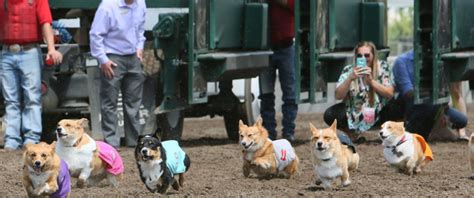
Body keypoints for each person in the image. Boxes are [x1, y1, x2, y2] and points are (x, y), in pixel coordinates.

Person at [0, 0, 63, 150]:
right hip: (7, 51)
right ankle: (12, 139)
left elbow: (46, 23)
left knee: (32, 97)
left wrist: (51, 49)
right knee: (11, 99)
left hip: (29, 51)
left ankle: (31, 138)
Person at [90, 0, 146, 148]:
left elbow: (140, 29)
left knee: (134, 103)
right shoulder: (108, 6)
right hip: (113, 58)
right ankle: (111, 144)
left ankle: (134, 142)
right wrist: (103, 59)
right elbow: (95, 34)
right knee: (109, 103)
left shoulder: (140, 3)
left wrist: (140, 47)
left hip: (133, 57)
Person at [324, 41, 397, 140]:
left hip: (379, 111)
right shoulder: (349, 70)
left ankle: (393, 134)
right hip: (356, 111)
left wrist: (371, 82)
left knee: (398, 107)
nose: (363, 58)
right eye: (359, 56)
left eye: (367, 55)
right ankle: (352, 134)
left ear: (373, 55)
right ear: (355, 57)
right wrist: (350, 78)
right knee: (330, 114)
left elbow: (390, 94)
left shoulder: (382, 67)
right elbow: (338, 96)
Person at [392, 50, 467, 140]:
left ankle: (436, 127)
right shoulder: (401, 62)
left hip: (434, 102)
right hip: (411, 105)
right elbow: (408, 92)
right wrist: (433, 95)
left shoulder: (437, 60)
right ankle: (418, 130)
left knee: (462, 120)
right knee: (430, 106)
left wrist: (441, 107)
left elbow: (444, 90)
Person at [259, 0, 297, 142]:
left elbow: (293, 6)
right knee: (266, 94)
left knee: (289, 94)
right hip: (266, 47)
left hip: (285, 46)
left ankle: (288, 132)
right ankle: (269, 132)